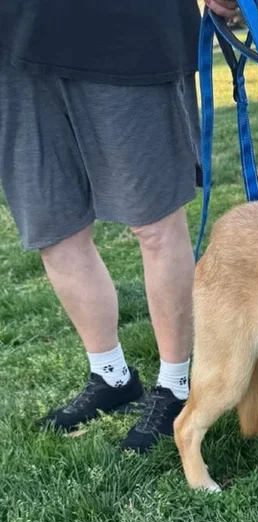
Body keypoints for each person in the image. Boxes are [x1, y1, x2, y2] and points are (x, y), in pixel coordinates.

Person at [0, 0, 239, 452]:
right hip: (12, 41)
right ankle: (111, 375)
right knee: (54, 227)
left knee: (155, 222)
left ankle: (175, 385)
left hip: (129, 30)